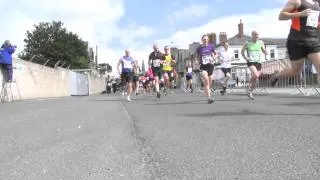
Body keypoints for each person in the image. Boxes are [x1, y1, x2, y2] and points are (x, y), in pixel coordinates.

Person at [270, 0, 320, 86]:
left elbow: (314, 23)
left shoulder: (317, 4)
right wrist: (300, 14)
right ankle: (277, 75)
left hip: (313, 41)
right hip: (297, 41)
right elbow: (281, 16)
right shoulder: (296, 1)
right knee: (295, 72)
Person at [241, 30, 268, 100]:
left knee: (256, 80)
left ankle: (249, 91)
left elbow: (263, 50)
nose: (256, 36)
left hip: (258, 62)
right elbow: (242, 52)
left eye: (257, 35)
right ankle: (248, 88)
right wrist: (246, 58)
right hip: (251, 62)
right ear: (252, 35)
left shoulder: (261, 42)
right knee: (256, 75)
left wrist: (265, 52)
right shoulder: (247, 43)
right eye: (255, 35)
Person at [195, 34, 217, 104]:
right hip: (203, 66)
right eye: (204, 40)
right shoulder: (199, 48)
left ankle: (207, 89)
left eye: (207, 39)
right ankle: (209, 98)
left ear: (208, 40)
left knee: (209, 81)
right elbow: (197, 57)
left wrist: (214, 58)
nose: (206, 41)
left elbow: (216, 54)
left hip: (210, 66)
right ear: (202, 40)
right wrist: (196, 61)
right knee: (206, 80)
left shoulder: (211, 46)